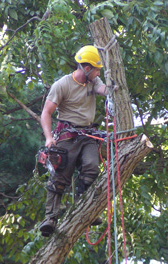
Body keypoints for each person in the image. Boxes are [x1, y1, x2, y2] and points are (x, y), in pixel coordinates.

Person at [39, 45, 109, 237]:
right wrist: (48, 138)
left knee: (91, 167)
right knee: (60, 178)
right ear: (86, 69)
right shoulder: (62, 85)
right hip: (67, 135)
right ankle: (50, 218)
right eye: (96, 70)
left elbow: (102, 89)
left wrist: (112, 89)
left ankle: (83, 205)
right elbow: (46, 112)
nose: (98, 73)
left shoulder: (93, 81)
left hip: (88, 135)